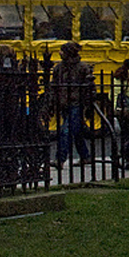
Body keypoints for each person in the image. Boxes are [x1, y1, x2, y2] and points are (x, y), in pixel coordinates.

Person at [51, 41, 93, 169]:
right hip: (64, 103)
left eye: (62, 51)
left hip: (77, 103)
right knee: (76, 131)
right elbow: (54, 85)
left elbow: (89, 86)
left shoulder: (82, 67)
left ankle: (60, 159)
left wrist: (88, 104)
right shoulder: (59, 67)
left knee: (66, 131)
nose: (60, 53)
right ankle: (85, 156)